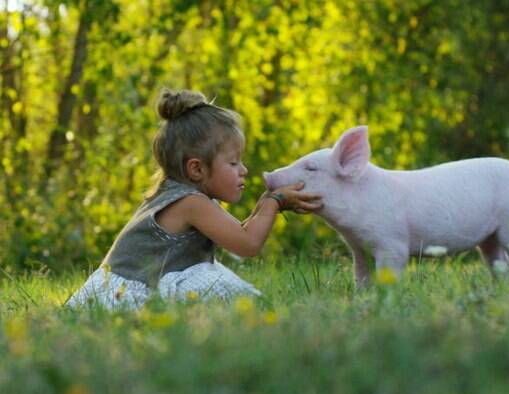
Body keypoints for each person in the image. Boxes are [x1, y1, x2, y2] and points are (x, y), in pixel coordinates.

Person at [66, 88, 322, 309]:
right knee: (219, 286)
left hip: (137, 285)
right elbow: (247, 244)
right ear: (197, 169)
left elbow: (238, 232)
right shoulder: (190, 203)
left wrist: (267, 204)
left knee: (216, 282)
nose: (243, 170)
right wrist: (272, 202)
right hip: (125, 297)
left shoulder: (183, 196)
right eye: (233, 162)